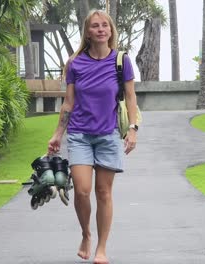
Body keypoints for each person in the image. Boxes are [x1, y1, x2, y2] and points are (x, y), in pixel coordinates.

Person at [47, 9, 138, 264]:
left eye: (105, 25)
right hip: (79, 135)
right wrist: (57, 134)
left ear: (111, 30)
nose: (101, 29)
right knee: (83, 191)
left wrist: (133, 128)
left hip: (108, 135)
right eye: (95, 26)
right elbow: (68, 103)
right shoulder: (75, 64)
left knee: (104, 193)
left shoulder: (121, 61)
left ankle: (102, 248)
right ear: (88, 31)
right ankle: (86, 234)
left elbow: (130, 97)